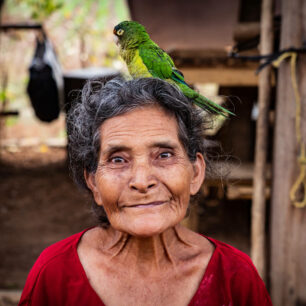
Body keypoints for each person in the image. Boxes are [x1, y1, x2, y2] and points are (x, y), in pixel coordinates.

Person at [19, 78, 272, 306]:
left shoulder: (235, 278)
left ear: (195, 174)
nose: (141, 181)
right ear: (93, 183)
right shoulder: (55, 274)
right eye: (118, 160)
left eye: (164, 155)